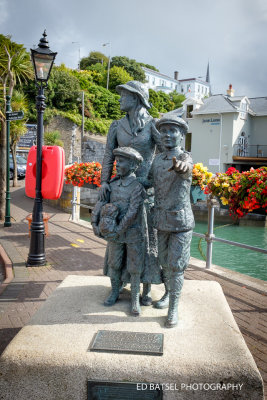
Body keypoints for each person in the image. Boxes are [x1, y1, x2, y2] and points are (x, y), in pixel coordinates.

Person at [98, 81, 163, 304]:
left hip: (146, 193)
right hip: (119, 192)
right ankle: (115, 288)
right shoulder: (116, 126)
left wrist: (151, 181)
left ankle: (145, 289)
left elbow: (164, 157)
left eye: (123, 95)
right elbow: (108, 156)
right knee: (117, 241)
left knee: (145, 242)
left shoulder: (153, 125)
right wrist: (104, 182)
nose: (119, 99)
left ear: (136, 98)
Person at [144, 114, 195, 328]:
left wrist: (182, 168)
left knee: (177, 265)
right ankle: (167, 293)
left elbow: (186, 169)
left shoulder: (185, 158)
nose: (167, 135)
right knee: (164, 262)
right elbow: (148, 181)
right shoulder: (157, 160)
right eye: (163, 131)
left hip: (180, 222)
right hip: (161, 220)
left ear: (181, 135)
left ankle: (173, 308)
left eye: (172, 131)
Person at [92, 147, 146, 316]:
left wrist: (118, 230)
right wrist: (95, 223)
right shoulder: (112, 185)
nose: (117, 165)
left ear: (132, 166)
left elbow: (132, 212)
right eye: (116, 161)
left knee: (134, 267)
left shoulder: (137, 186)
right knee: (114, 263)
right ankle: (115, 291)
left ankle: (136, 298)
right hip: (115, 233)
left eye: (121, 162)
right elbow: (101, 203)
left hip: (133, 233)